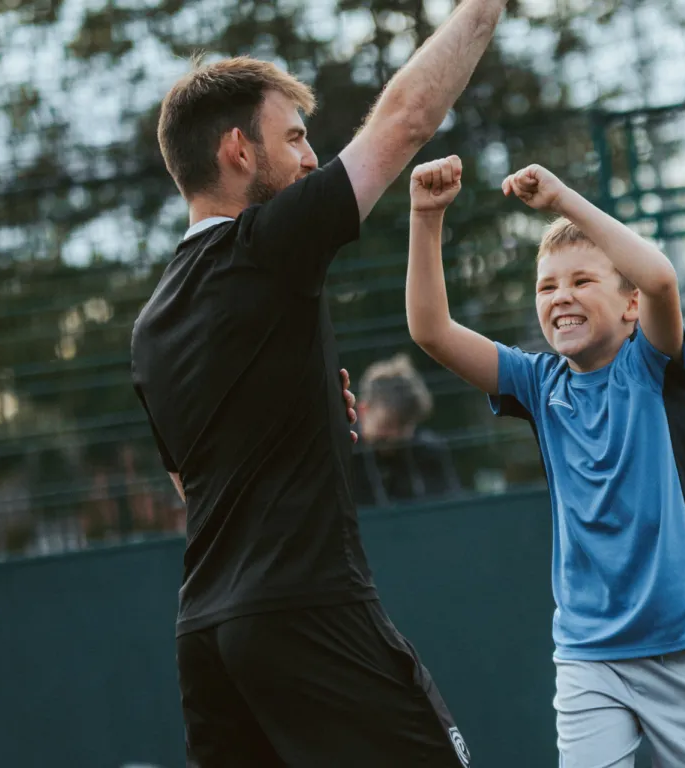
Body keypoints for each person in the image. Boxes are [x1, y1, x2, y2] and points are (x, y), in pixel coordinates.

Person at [129, 3, 509, 764]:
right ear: (238, 150)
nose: (311, 160)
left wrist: (294, 410)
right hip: (305, 610)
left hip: (206, 635)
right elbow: (405, 120)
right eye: (296, 137)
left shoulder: (150, 326)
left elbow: (190, 484)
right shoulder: (265, 246)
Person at [405, 156, 685, 767]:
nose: (561, 297)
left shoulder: (652, 367)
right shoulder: (538, 384)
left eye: (582, 281)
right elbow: (430, 328)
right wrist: (425, 217)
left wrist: (563, 199)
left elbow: (663, 279)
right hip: (589, 655)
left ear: (629, 306)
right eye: (546, 286)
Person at [353, 353, 461, 506]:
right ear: (363, 410)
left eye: (404, 426)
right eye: (388, 424)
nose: (395, 437)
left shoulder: (429, 452)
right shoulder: (341, 455)